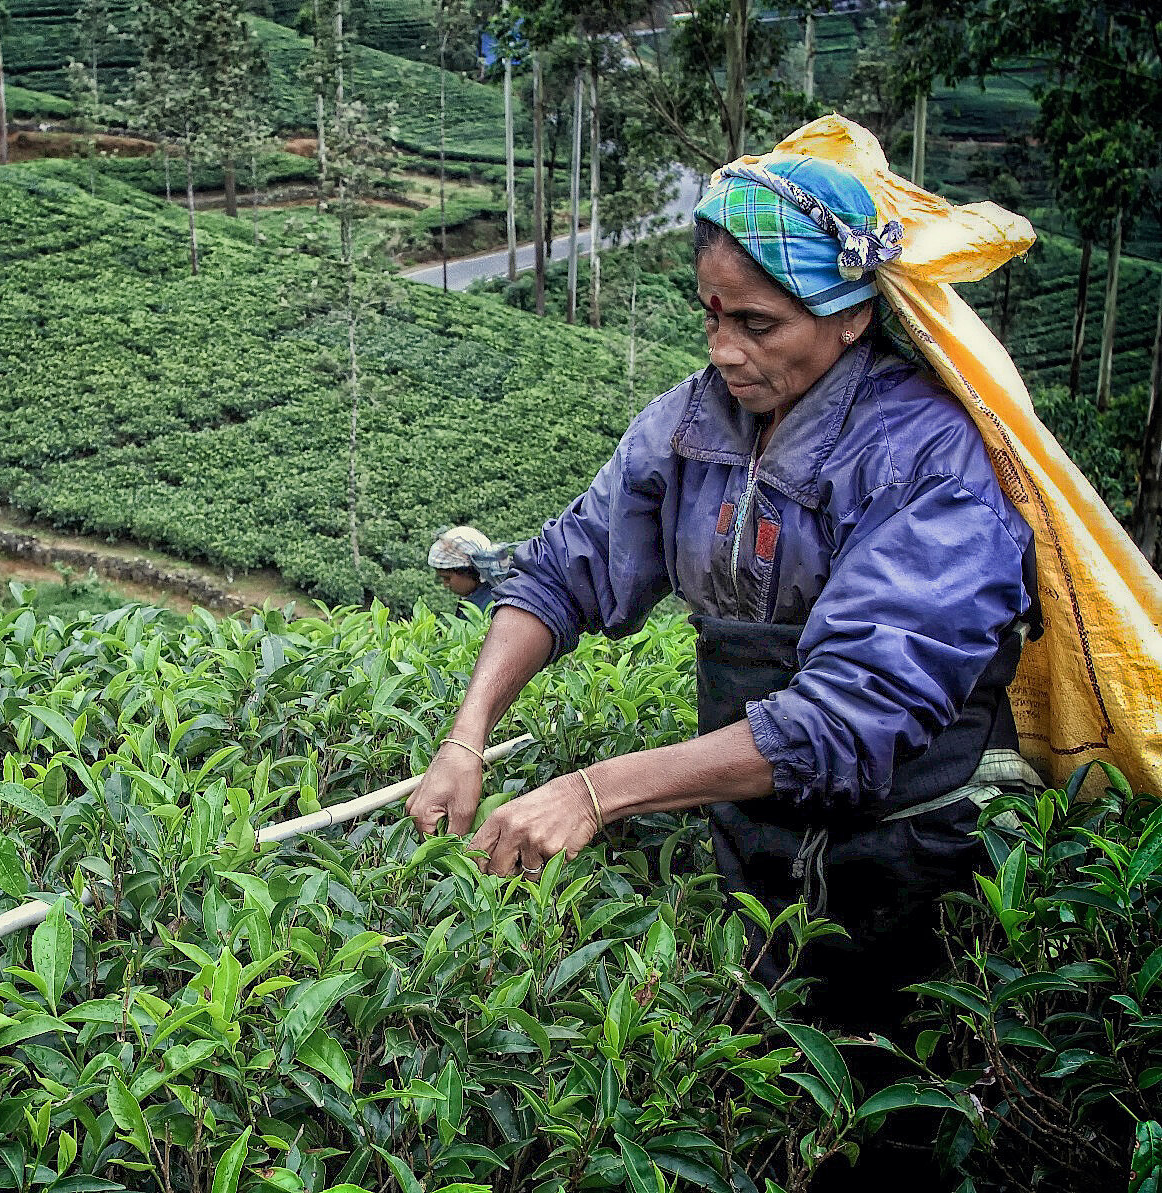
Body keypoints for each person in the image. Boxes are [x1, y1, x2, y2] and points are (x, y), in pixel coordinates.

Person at [406, 152, 1040, 1185]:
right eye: (710, 315)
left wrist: (592, 789)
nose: (723, 350)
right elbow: (561, 573)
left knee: (880, 1120)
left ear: (847, 316)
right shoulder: (693, 424)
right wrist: (463, 735)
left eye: (756, 324)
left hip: (905, 855)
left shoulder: (928, 459)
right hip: (752, 831)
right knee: (757, 1084)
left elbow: (845, 720)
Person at [427, 526, 511, 611]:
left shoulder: (490, 605)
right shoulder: (474, 597)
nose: (445, 584)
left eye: (447, 578)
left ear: (468, 572)